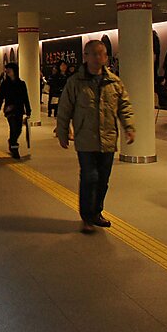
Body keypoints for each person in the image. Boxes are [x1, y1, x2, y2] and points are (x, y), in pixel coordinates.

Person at [56, 40, 135, 234]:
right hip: (85, 138)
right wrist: (63, 131)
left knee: (103, 179)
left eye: (103, 54)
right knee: (89, 177)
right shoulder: (75, 82)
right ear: (86, 56)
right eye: (95, 54)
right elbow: (65, 108)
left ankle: (96, 212)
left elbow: (124, 106)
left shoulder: (114, 82)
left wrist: (129, 127)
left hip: (108, 138)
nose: (99, 57)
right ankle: (87, 217)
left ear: (107, 57)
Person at [0, 62, 31, 160]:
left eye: (9, 70)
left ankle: (12, 141)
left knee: (18, 129)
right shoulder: (5, 84)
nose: (7, 72)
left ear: (15, 71)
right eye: (7, 71)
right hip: (9, 109)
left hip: (19, 109)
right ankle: (15, 148)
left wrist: (28, 110)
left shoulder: (21, 84)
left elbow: (25, 98)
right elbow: (1, 97)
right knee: (13, 127)